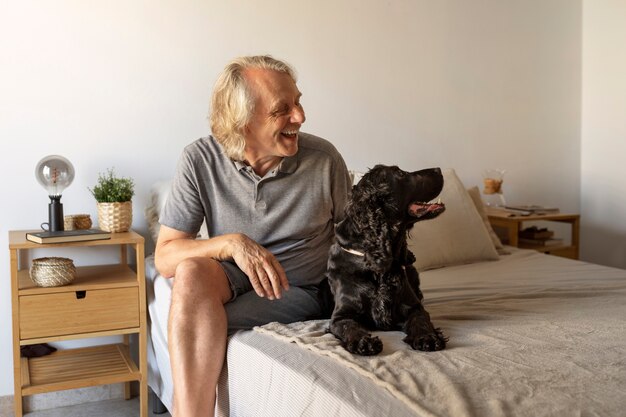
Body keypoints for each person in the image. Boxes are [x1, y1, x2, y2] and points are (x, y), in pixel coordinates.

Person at [154, 55, 351, 416]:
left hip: (297, 291)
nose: (300, 117)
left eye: (299, 102)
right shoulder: (200, 159)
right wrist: (231, 243)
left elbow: (356, 241)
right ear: (242, 122)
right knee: (190, 275)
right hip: (232, 278)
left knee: (192, 322)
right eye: (283, 109)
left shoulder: (324, 160)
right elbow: (165, 257)